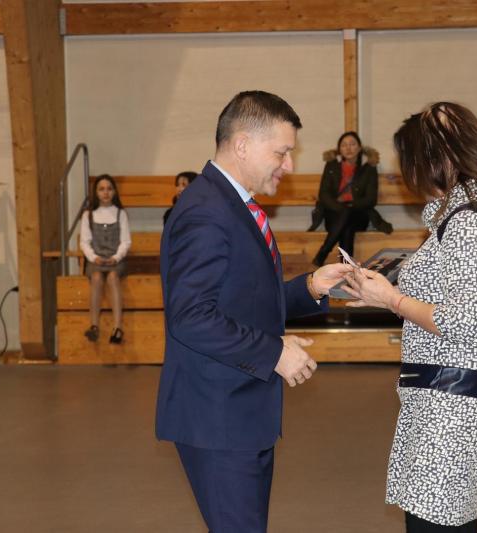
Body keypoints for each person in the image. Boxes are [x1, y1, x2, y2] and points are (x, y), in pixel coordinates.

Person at [155, 90, 351, 533]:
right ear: (242, 144)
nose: (289, 165)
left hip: (240, 413)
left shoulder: (231, 205)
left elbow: (244, 300)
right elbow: (190, 317)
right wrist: (274, 353)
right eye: (281, 152)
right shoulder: (206, 212)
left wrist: (311, 287)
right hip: (217, 417)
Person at [343, 102, 477, 532]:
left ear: (435, 159)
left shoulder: (469, 221)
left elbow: (460, 320)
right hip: (458, 397)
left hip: (453, 403)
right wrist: (383, 295)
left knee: (435, 524)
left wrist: (391, 299)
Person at [310, 131, 380, 266]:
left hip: (359, 215)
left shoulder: (368, 169)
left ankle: (323, 253)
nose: (348, 148)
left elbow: (371, 199)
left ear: (359, 148)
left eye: (352, 144)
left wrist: (350, 206)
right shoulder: (331, 166)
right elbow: (323, 194)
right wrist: (341, 208)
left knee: (347, 216)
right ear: (339, 149)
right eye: (344, 145)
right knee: (347, 224)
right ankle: (347, 267)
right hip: (334, 215)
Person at [80, 174, 131, 344]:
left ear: (114, 192)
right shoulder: (88, 215)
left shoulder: (120, 214)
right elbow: (84, 242)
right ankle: (94, 325)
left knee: (112, 277)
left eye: (109, 188)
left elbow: (125, 241)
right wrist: (94, 258)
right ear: (96, 193)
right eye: (101, 189)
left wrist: (116, 257)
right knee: (96, 278)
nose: (105, 192)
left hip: (116, 261)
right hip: (96, 261)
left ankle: (117, 327)